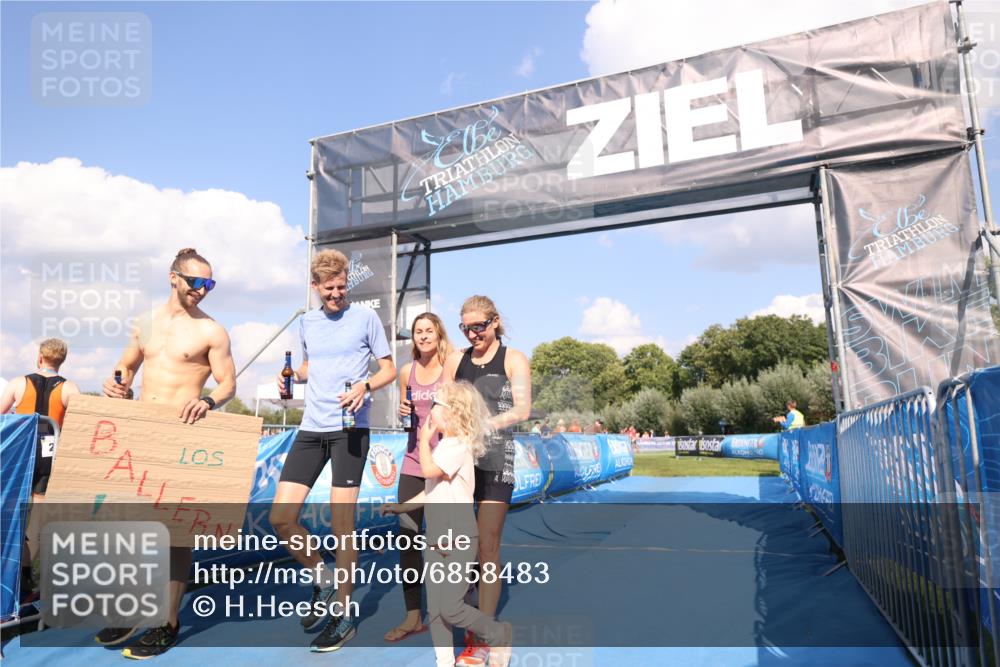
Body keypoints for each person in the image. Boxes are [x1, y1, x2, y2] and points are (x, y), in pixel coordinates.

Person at [94, 248, 236, 658]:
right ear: (174, 277)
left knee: (175, 534)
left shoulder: (213, 331)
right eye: (196, 282)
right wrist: (115, 385)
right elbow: (125, 368)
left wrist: (209, 402)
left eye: (210, 284)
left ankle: (167, 622)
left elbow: (227, 384)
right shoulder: (145, 323)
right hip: (141, 433)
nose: (203, 291)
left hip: (183, 437)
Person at [268, 248, 395, 653]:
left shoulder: (365, 318)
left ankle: (343, 614)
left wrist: (365, 385)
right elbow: (310, 367)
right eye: (330, 289)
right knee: (281, 518)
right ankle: (323, 579)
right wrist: (290, 376)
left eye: (342, 287)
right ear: (316, 287)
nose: (337, 295)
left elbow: (389, 368)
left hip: (349, 431)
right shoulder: (307, 322)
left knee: (343, 526)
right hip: (311, 428)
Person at [382, 382, 513, 667]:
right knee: (437, 611)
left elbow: (428, 470)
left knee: (452, 609)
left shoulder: (457, 445)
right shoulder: (442, 446)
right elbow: (430, 487)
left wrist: (421, 440)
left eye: (436, 407)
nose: (430, 413)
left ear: (455, 414)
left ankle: (496, 632)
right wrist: (401, 506)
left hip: (459, 540)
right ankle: (444, 661)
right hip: (435, 541)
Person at [443, 295, 531, 667]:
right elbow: (444, 405)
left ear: (494, 322)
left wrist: (484, 425)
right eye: (466, 328)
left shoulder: (513, 358)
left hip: (496, 460)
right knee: (464, 549)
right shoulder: (455, 360)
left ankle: (483, 636)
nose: (473, 333)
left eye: (479, 326)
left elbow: (522, 409)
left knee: (488, 545)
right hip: (462, 464)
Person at [384, 312, 452, 643]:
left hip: (445, 467)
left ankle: (456, 608)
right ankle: (413, 615)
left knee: (447, 543)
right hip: (413, 462)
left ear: (439, 334)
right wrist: (401, 413)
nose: (423, 336)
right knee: (408, 539)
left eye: (428, 331)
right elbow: (407, 415)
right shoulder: (406, 372)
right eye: (418, 332)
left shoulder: (451, 367)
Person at [0, 338, 81, 599]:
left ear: (39, 356)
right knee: (37, 518)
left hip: (19, 457)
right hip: (50, 457)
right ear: (63, 360)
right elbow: (81, 424)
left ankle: (15, 575)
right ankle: (27, 581)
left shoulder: (17, 383)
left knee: (14, 515)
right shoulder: (69, 388)